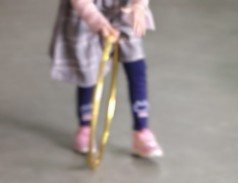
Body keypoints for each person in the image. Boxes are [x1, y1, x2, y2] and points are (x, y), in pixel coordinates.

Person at [49, 0, 163, 158]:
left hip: (123, 9)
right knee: (88, 69)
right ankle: (86, 127)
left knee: (136, 64)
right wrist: (98, 23)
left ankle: (141, 129)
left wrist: (139, 5)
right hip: (85, 14)